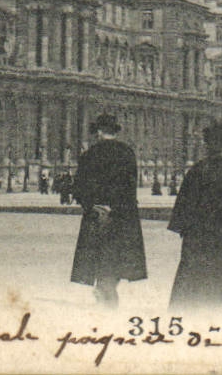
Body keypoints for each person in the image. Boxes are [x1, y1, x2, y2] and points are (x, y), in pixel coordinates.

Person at [167, 125, 222, 311]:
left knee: (195, 274)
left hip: (198, 236)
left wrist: (184, 228)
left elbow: (183, 204)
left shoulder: (197, 171)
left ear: (207, 146)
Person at [70, 114, 147, 307]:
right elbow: (130, 186)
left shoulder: (89, 155)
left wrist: (93, 205)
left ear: (98, 132)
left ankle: (104, 291)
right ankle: (108, 288)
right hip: (123, 214)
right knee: (119, 256)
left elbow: (79, 188)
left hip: (98, 214)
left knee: (99, 255)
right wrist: (118, 207)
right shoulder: (127, 153)